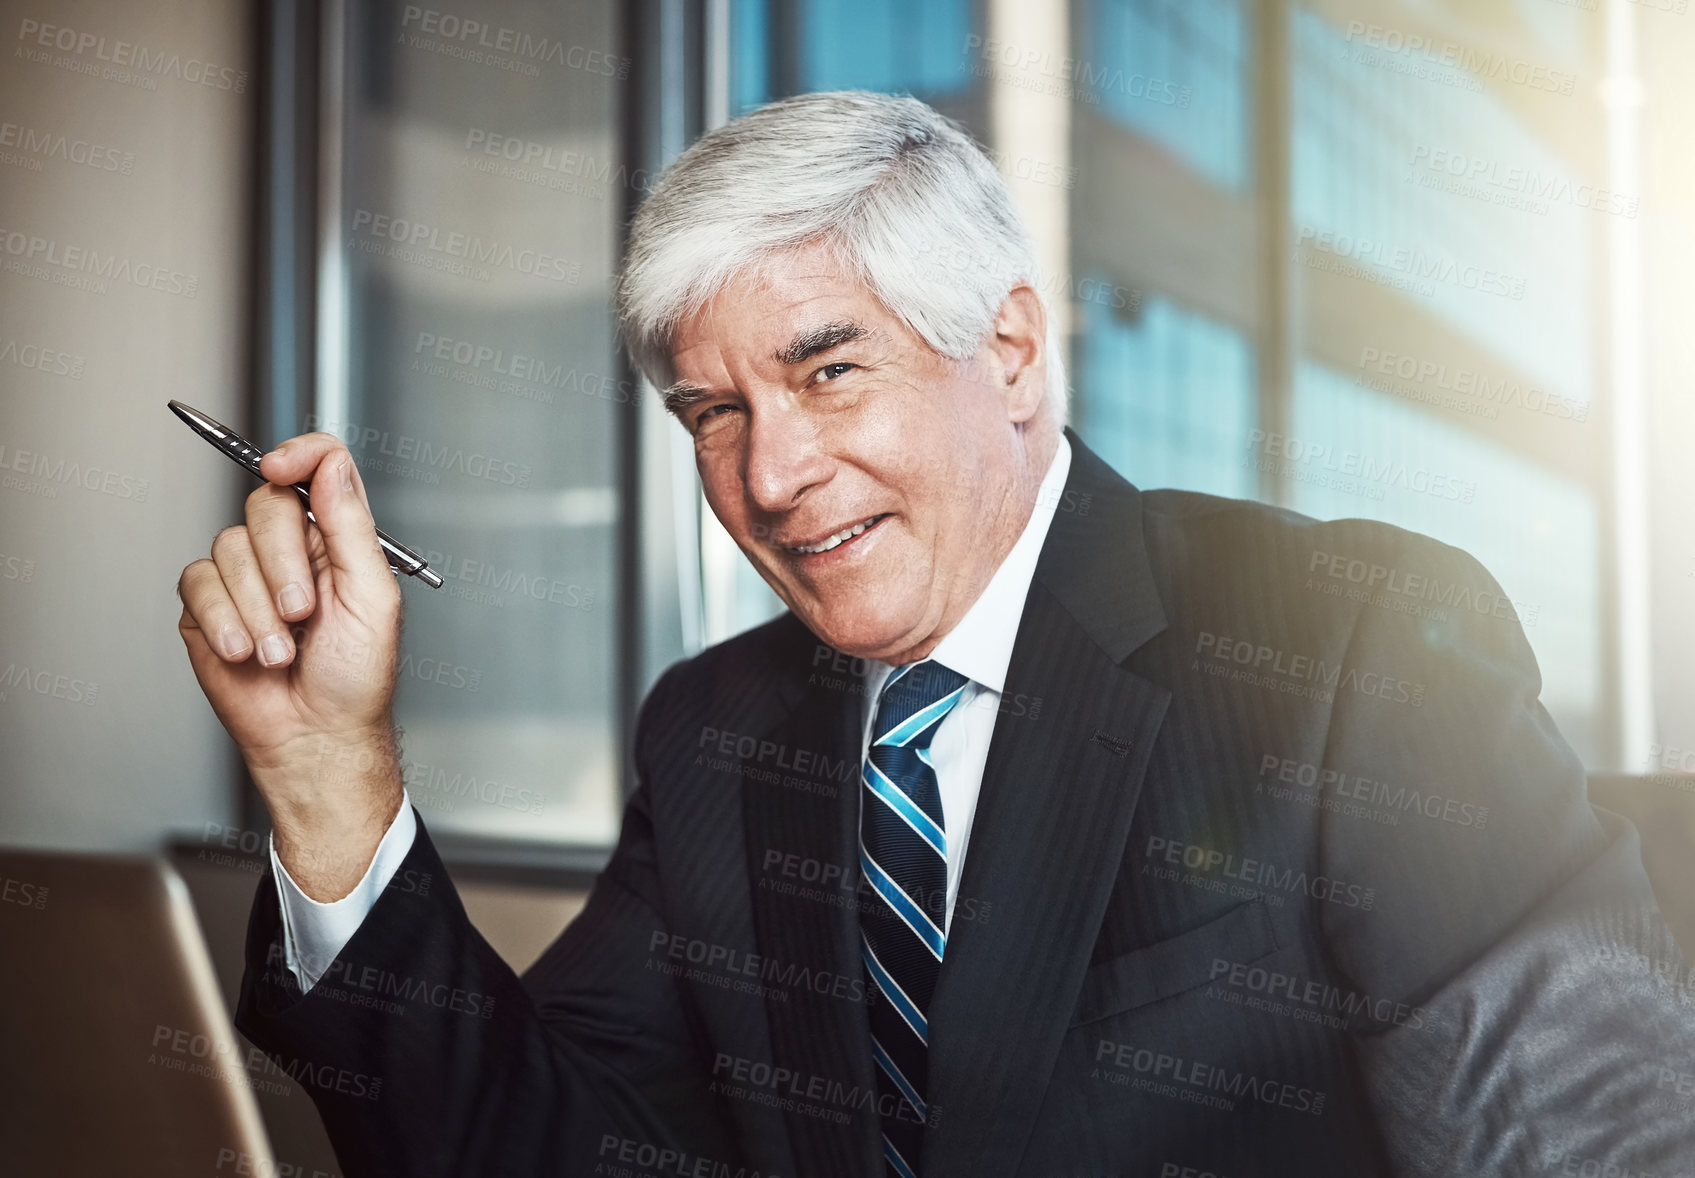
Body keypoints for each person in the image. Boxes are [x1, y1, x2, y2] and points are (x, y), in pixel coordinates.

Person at [176, 90, 1695, 1178]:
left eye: (828, 372)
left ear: (1013, 351)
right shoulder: (715, 731)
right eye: (715, 412)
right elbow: (531, 1141)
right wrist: (328, 775)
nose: (769, 477)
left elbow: (1585, 1140)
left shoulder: (1356, 646)